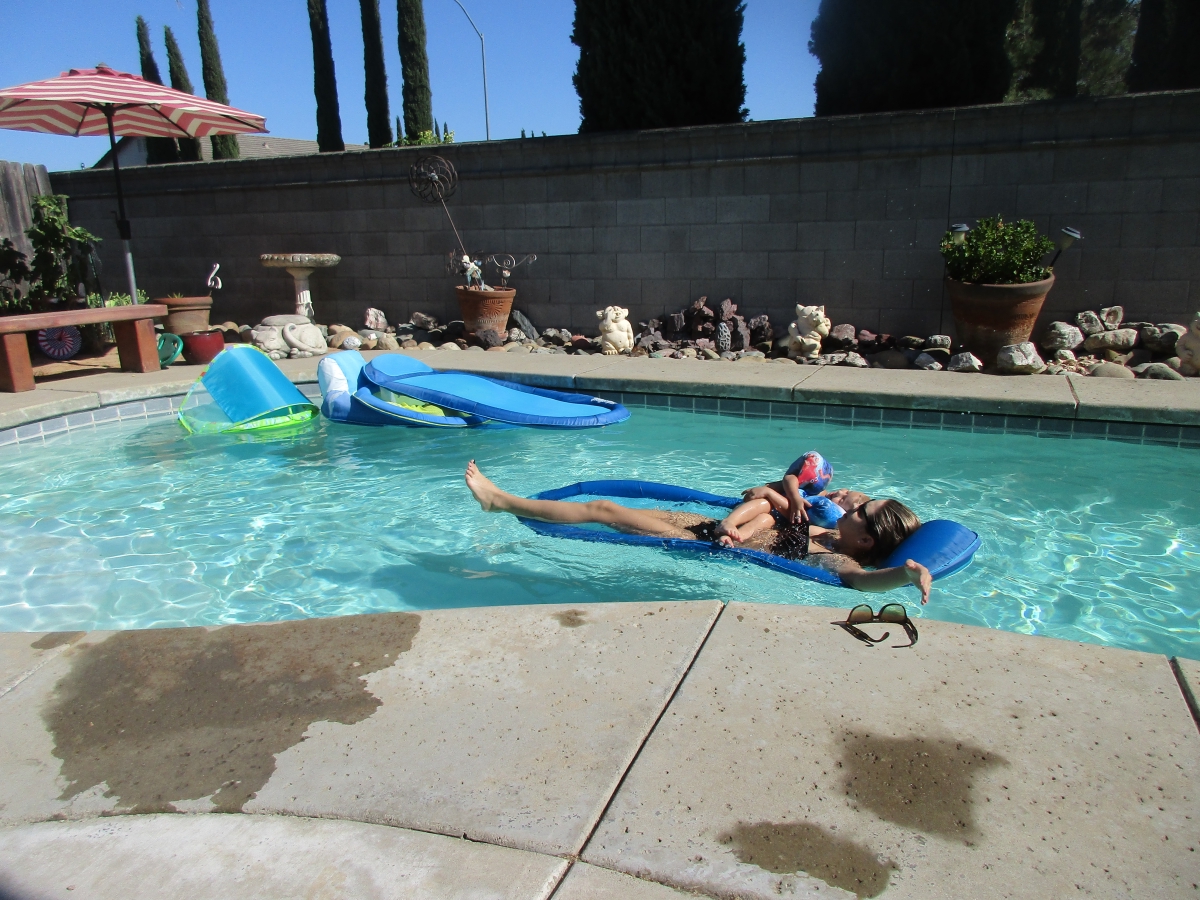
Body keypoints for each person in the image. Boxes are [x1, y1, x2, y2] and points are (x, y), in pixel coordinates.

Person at [464, 461, 933, 603]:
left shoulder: (839, 558)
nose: (853, 506)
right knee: (611, 508)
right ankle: (503, 500)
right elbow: (772, 496)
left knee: (604, 510)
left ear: (866, 540)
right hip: (709, 528)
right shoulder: (825, 528)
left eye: (861, 511)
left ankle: (499, 501)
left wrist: (905, 576)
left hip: (702, 544)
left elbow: (862, 583)